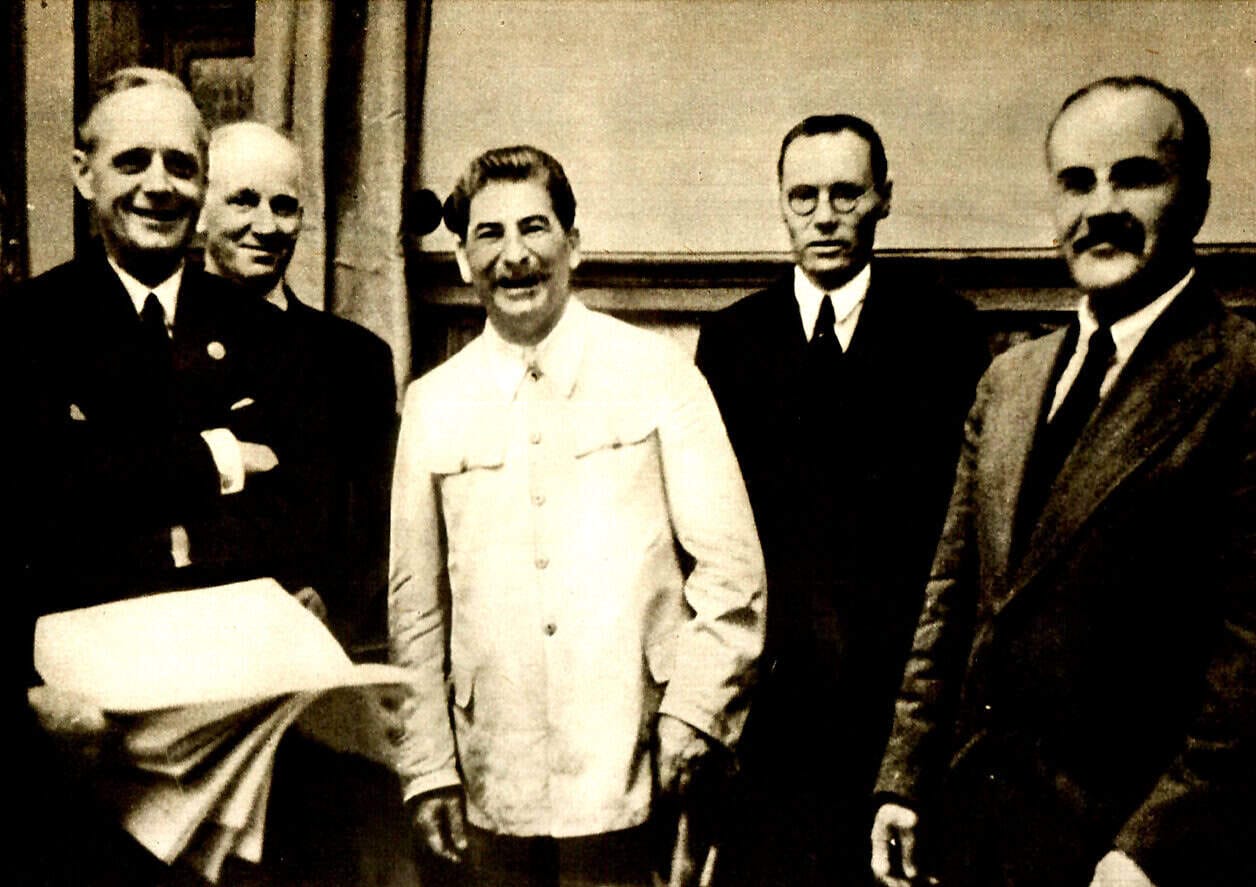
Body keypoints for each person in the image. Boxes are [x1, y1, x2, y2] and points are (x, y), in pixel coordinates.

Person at [872, 76, 1256, 887]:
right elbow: (950, 595)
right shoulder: (1009, 379)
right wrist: (904, 775)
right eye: (1076, 182)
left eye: (1136, 176)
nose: (1100, 206)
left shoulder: (1241, 374)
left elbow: (1250, 650)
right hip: (982, 831)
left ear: (1198, 197)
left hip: (1140, 851)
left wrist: (1151, 845)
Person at [389, 145, 765, 886]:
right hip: (494, 772)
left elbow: (733, 573)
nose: (515, 254)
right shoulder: (434, 401)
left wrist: (693, 716)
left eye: (535, 226)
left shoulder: (658, 371)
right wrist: (427, 765)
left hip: (635, 764)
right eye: (489, 235)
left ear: (573, 244)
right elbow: (416, 606)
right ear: (464, 259)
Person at [694, 115, 987, 885]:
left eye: (845, 193)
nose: (823, 215)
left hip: (896, 705)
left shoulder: (945, 330)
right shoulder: (731, 339)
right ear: (781, 204)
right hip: (773, 708)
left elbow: (962, 533)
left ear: (883, 198)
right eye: (803, 196)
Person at [12, 66, 283, 886]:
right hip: (77, 732)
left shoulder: (266, 338)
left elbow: (297, 500)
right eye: (132, 162)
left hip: (234, 735)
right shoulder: (22, 329)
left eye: (181, 165)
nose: (158, 186)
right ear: (83, 171)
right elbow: (21, 503)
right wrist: (218, 458)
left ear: (205, 182)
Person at [199, 120, 397, 647]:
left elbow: (384, 525)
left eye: (283, 206)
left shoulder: (357, 358)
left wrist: (333, 597)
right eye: (243, 201)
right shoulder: (151, 342)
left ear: (303, 219)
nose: (266, 225)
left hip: (317, 647)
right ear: (199, 211)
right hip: (185, 645)